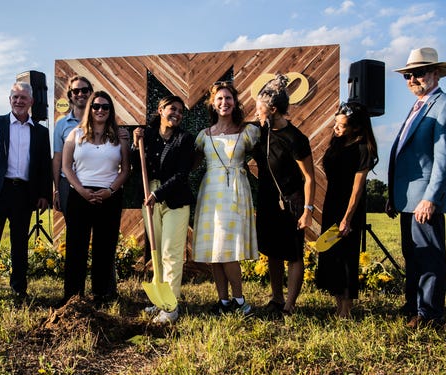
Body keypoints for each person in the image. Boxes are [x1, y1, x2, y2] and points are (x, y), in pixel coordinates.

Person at [386, 47, 446, 328]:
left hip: (424, 201)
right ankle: (413, 307)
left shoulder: (445, 105)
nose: (412, 79)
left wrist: (431, 198)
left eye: (418, 73)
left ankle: (430, 315)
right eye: (408, 75)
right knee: (413, 256)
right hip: (407, 200)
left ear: (435, 73)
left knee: (429, 256)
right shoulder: (417, 106)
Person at [0, 82, 52, 304]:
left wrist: (44, 194)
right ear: (9, 99)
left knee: (19, 244)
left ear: (31, 102)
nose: (19, 101)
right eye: (15, 97)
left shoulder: (41, 132)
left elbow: (44, 165)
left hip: (25, 192)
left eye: (23, 97)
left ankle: (18, 289)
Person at [192, 82, 260, 316]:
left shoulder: (248, 132)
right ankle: (223, 302)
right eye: (219, 99)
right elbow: (189, 164)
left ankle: (240, 301)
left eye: (228, 98)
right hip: (210, 192)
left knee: (228, 249)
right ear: (213, 103)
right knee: (214, 250)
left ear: (235, 102)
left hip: (236, 192)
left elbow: (268, 156)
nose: (224, 103)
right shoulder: (203, 136)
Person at [251, 73, 315, 317]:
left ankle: (290, 304)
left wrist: (307, 211)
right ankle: (276, 298)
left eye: (260, 110)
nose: (257, 114)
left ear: (274, 109)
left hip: (292, 201)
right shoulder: (260, 133)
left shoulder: (296, 139)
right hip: (267, 201)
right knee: (272, 251)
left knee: (293, 253)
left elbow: (309, 178)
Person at [61, 91, 130, 306]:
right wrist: (81, 190)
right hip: (80, 196)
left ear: (111, 111)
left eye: (105, 107)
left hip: (109, 196)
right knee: (76, 247)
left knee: (105, 247)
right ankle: (73, 295)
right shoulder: (75, 134)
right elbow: (66, 166)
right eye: (96, 106)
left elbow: (126, 170)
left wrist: (110, 190)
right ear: (90, 108)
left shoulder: (120, 137)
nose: (100, 110)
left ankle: (101, 294)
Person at [132, 96, 195, 323]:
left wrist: (157, 195)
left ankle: (170, 307)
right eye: (172, 109)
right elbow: (133, 163)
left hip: (174, 200)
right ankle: (160, 300)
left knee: (171, 253)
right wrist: (134, 142)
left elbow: (181, 175)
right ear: (160, 110)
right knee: (156, 252)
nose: (176, 113)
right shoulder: (146, 136)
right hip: (148, 198)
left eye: (180, 111)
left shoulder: (185, 139)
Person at [316, 102, 378, 318]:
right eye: (335, 124)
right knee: (333, 255)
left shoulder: (363, 150)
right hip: (331, 205)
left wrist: (347, 219)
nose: (336, 128)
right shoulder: (337, 144)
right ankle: (337, 304)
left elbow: (357, 189)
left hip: (349, 209)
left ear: (357, 128)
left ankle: (347, 309)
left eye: (341, 126)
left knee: (347, 258)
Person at [52, 76, 93, 218]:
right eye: (76, 91)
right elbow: (57, 159)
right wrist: (57, 190)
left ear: (90, 93)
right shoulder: (61, 124)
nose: (80, 94)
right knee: (74, 232)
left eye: (84, 90)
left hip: (95, 180)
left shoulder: (101, 120)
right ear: (70, 95)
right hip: (67, 184)